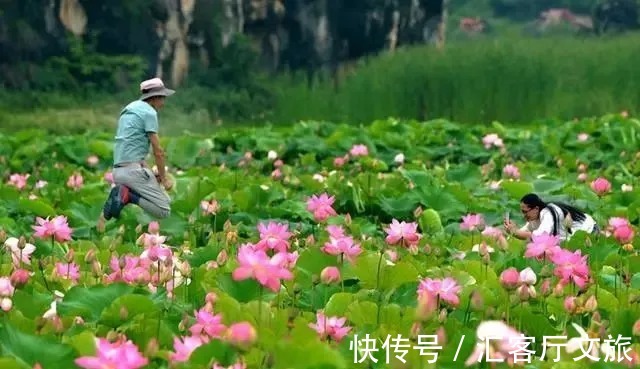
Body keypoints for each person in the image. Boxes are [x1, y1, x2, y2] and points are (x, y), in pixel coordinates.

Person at [101, 78, 175, 221]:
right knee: (164, 210)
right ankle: (128, 196)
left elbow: (133, 151)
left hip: (118, 172)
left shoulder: (128, 109)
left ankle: (124, 194)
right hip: (133, 172)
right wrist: (164, 178)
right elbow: (158, 151)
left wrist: (154, 176)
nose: (164, 102)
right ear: (154, 97)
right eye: (163, 98)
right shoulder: (149, 113)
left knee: (164, 198)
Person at [503, 193, 599, 241]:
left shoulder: (549, 213)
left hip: (589, 231)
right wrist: (512, 230)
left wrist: (516, 232)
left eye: (525, 212)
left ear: (536, 209)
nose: (523, 215)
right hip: (573, 238)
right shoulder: (534, 219)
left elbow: (540, 237)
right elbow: (524, 233)